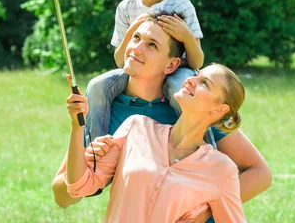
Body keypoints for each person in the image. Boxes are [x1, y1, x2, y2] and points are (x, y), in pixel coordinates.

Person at [53, 14, 272, 221]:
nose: (137, 48)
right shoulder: (113, 113)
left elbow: (258, 173)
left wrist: (202, 213)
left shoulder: (192, 108)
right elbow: (66, 194)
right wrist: (81, 137)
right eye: (136, 37)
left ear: (172, 65)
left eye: (152, 45)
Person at [63, 62, 247, 222]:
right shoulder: (136, 128)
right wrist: (77, 125)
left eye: (205, 83)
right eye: (197, 75)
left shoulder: (222, 170)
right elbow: (80, 186)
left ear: (219, 109)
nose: (191, 80)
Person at [86, 0, 206, 143]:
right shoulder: (126, 7)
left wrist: (186, 36)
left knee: (181, 89)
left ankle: (203, 147)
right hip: (135, 69)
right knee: (97, 86)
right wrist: (132, 31)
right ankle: (95, 151)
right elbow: (120, 61)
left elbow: (197, 62)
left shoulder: (181, 5)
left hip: (176, 70)